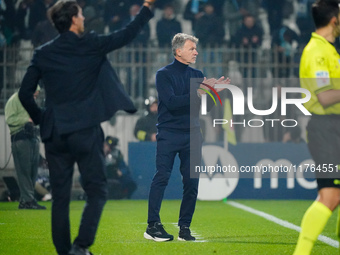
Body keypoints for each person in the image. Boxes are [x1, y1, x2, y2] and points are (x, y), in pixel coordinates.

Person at [18, 0, 155, 254]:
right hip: (84, 131)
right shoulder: (89, 44)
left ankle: (65, 253)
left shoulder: (43, 53)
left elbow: (25, 93)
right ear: (73, 19)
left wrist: (42, 118)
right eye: (81, 14)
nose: (83, 18)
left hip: (54, 132)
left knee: (60, 199)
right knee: (97, 190)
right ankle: (80, 247)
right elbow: (125, 34)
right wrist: (146, 8)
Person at [144, 33, 229, 242]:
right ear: (178, 51)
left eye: (195, 49)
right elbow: (171, 102)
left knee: (192, 182)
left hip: (192, 134)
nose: (196, 52)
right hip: (168, 133)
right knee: (162, 176)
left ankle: (185, 227)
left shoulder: (197, 74)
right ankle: (152, 225)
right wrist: (199, 91)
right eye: (192, 48)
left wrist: (213, 92)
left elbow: (202, 106)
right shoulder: (163, 74)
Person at [294, 1, 340, 254]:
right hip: (325, 129)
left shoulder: (329, 50)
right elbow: (325, 96)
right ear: (334, 19)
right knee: (330, 196)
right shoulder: (317, 52)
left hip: (335, 127)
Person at [4, 89, 46, 210]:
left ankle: (27, 199)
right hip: (21, 139)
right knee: (24, 172)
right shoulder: (13, 100)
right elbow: (10, 120)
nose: (35, 97)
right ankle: (27, 201)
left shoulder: (29, 102)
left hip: (33, 138)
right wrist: (26, 120)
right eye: (34, 94)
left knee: (33, 172)